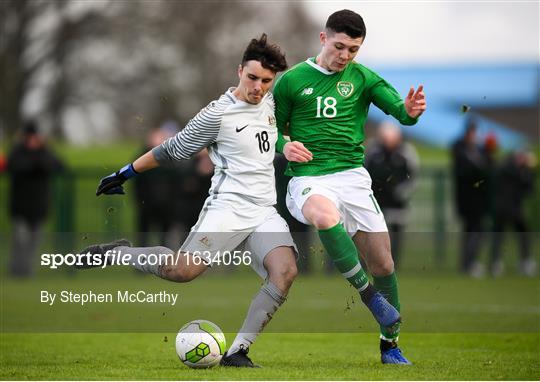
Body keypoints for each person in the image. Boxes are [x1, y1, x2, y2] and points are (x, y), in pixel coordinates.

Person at [77, 34, 302, 368]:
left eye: (266, 81)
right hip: (226, 210)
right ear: (239, 70)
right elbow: (171, 149)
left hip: (263, 212)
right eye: (252, 78)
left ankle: (238, 352)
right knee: (181, 272)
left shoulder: (271, 102)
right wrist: (125, 173)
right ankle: (117, 253)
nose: (258, 87)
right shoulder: (217, 114)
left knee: (285, 271)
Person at [273, 9, 426, 365]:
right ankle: (367, 294)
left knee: (385, 264)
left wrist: (411, 110)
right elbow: (269, 129)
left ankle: (391, 344)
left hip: (353, 178)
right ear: (323, 38)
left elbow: (401, 113)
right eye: (339, 46)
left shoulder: (363, 78)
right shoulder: (291, 81)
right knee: (325, 217)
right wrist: (284, 145)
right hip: (308, 177)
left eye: (353, 50)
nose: (345, 55)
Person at [7, 121, 64, 277]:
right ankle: (16, 270)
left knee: (34, 241)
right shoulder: (18, 152)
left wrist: (40, 153)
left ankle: (27, 270)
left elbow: (59, 166)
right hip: (20, 206)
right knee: (20, 240)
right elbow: (16, 166)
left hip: (39, 205)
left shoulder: (45, 151)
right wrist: (36, 159)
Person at [365, 121, 419, 268]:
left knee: (396, 234)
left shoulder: (406, 152)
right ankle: (373, 263)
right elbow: (363, 173)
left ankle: (393, 264)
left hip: (397, 203)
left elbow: (413, 176)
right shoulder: (373, 151)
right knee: (373, 234)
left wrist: (402, 192)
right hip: (376, 202)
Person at [451, 119, 489, 277]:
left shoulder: (480, 149)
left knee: (476, 230)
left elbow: (488, 165)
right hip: (466, 199)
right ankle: (468, 262)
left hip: (479, 200)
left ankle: (469, 261)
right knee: (471, 230)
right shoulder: (460, 148)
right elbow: (469, 168)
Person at [490, 150, 536, 277]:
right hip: (509, 208)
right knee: (505, 235)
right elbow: (527, 186)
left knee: (506, 235)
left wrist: (528, 170)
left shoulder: (516, 170)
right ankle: (500, 263)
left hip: (507, 208)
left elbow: (529, 188)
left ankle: (520, 262)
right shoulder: (512, 169)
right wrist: (528, 169)